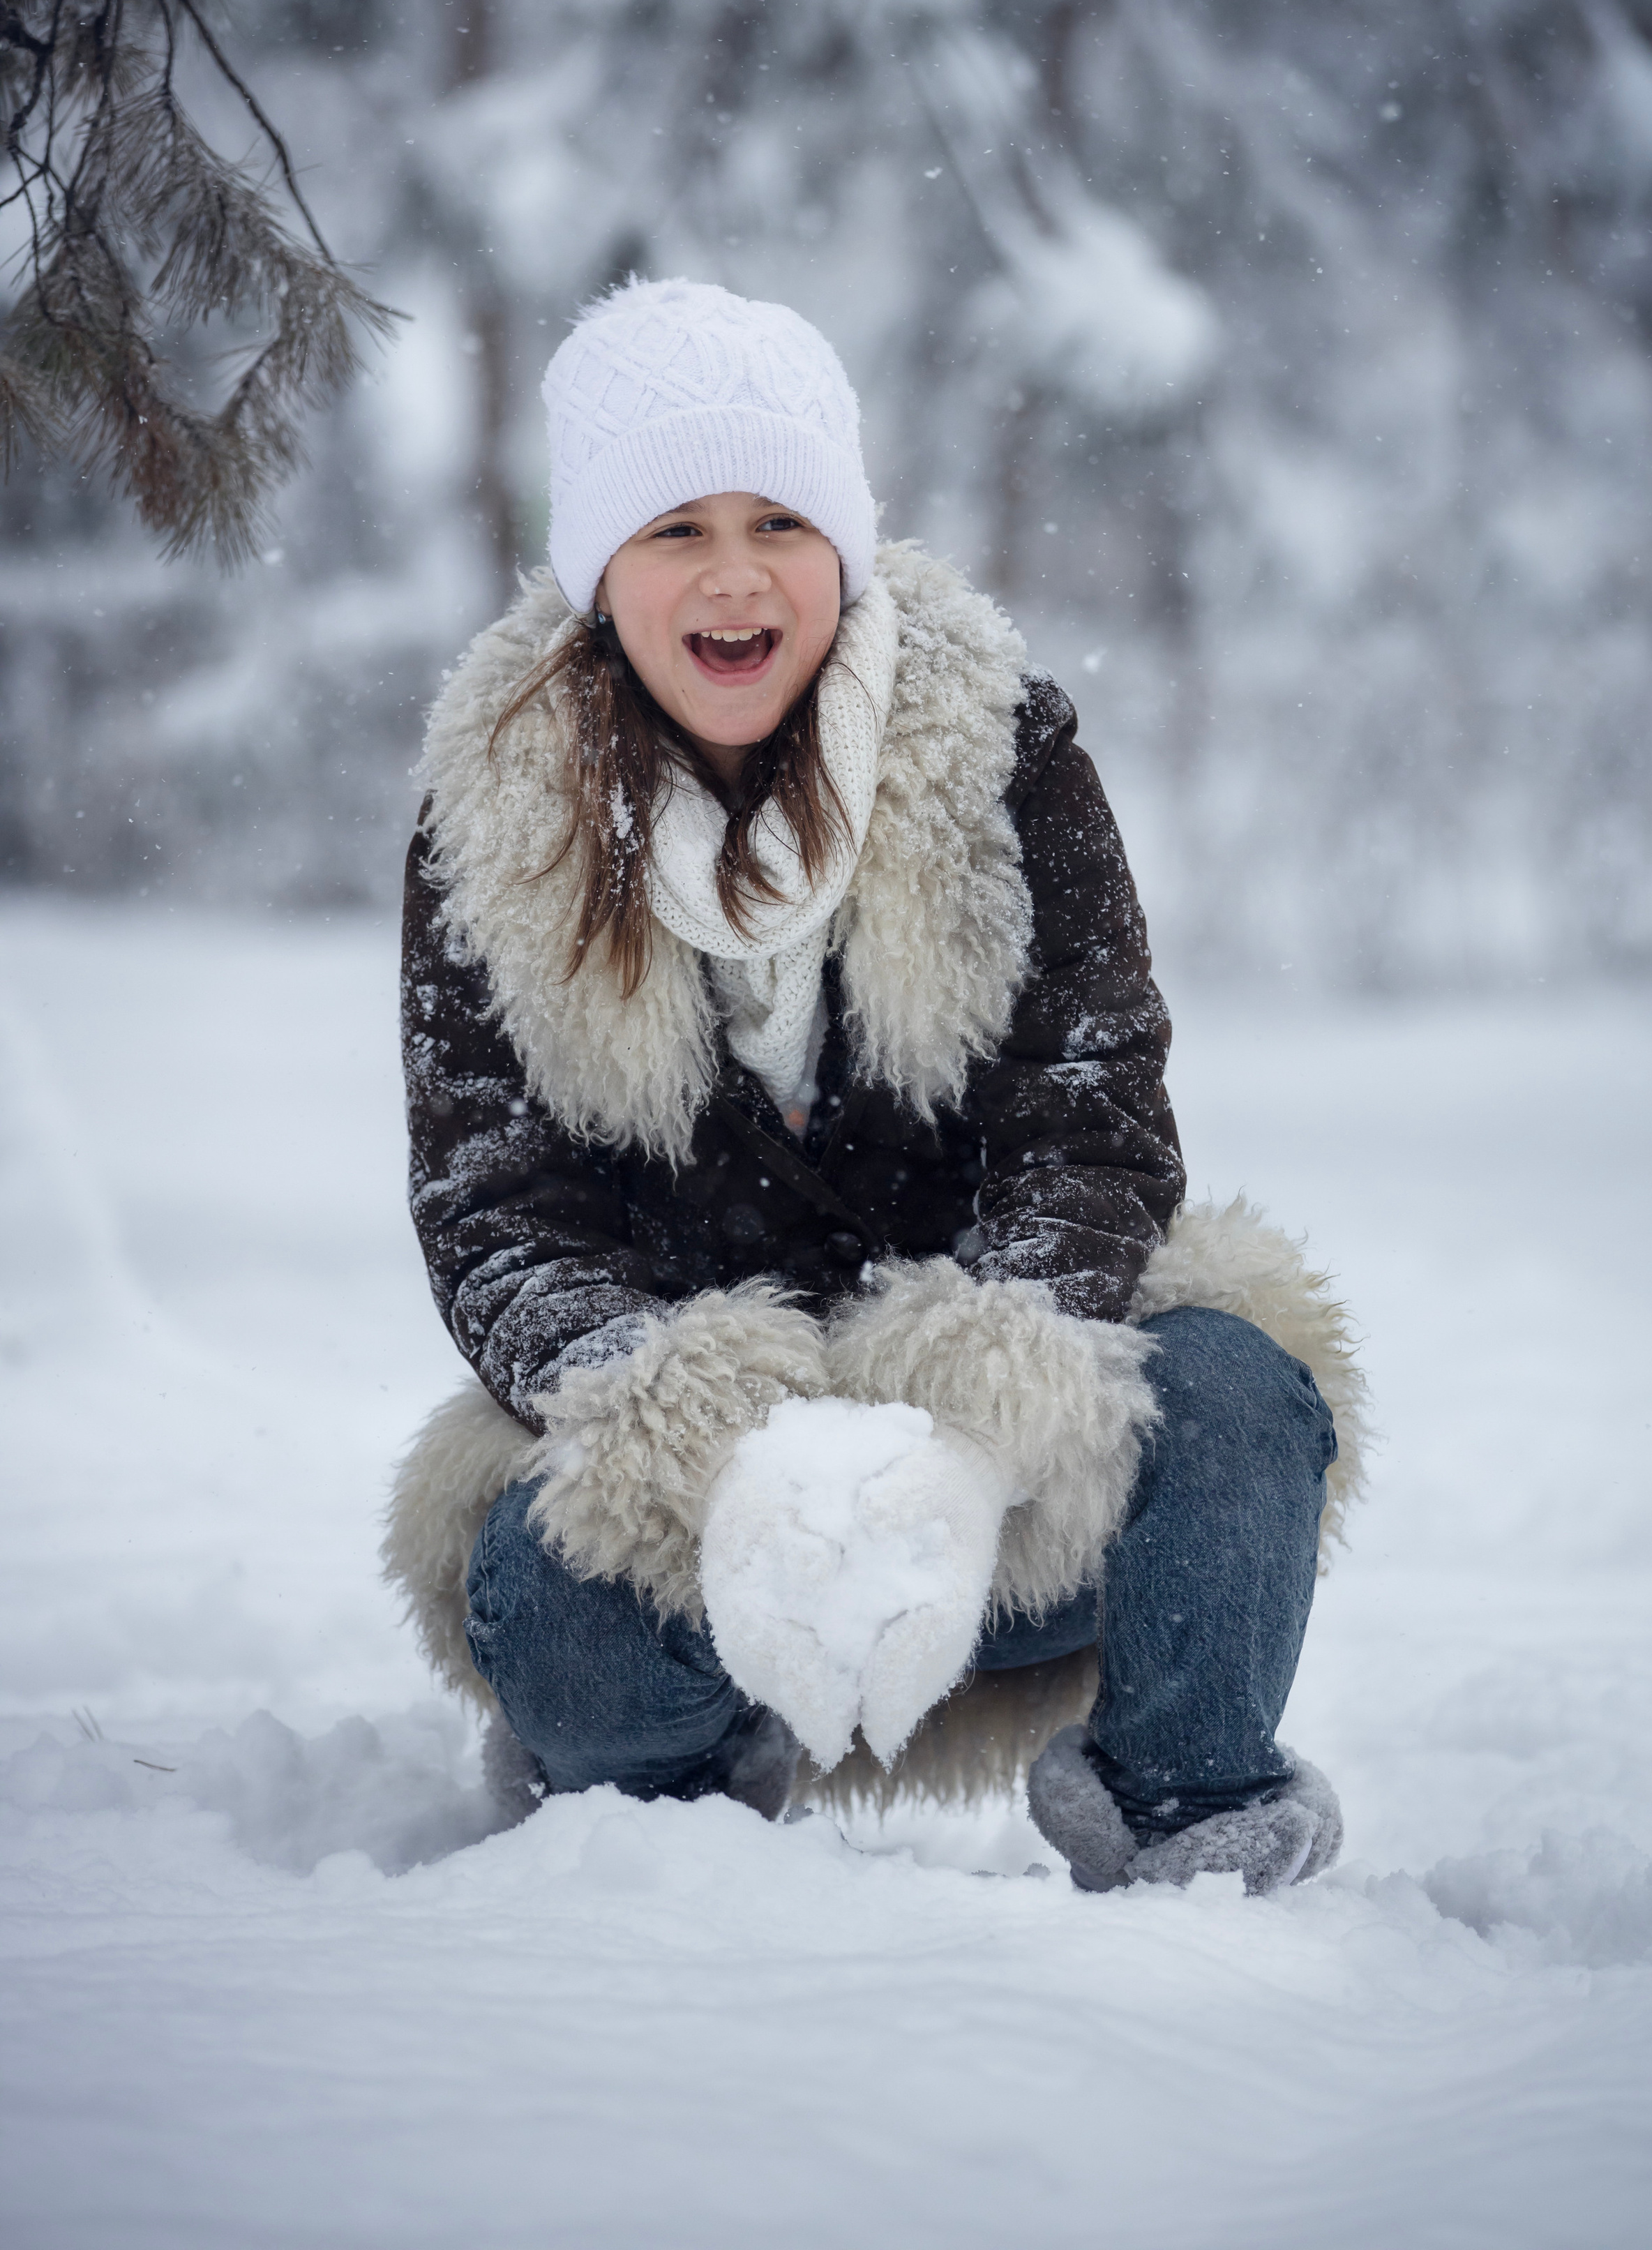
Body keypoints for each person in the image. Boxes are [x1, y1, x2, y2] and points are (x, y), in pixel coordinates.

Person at [384, 276, 1366, 1894]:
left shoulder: (999, 746)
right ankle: (668, 1791)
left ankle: (1189, 1815)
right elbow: (494, 1203)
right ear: (597, 576)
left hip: (997, 1453)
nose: (732, 575)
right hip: (686, 1481)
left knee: (1239, 1399)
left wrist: (963, 1423)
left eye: (777, 518)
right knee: (545, 1589)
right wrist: (717, 1444)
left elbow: (1093, 1108)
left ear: (839, 544)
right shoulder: (490, 817)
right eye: (672, 529)